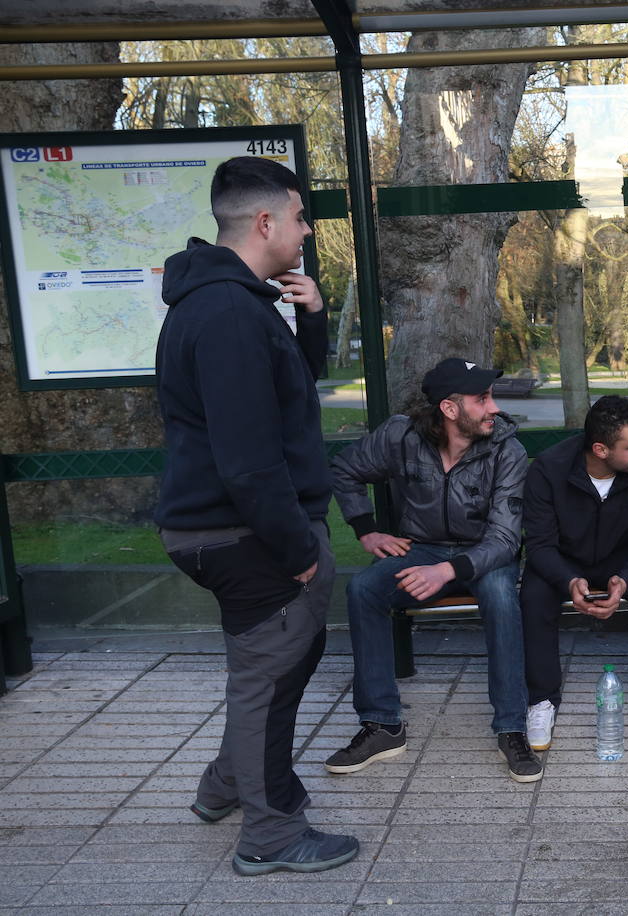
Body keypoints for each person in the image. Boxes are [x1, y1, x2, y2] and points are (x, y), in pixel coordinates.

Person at [155, 156, 358, 876]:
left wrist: (311, 321)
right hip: (245, 535)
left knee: (273, 671)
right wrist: (297, 548)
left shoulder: (228, 302)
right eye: (301, 217)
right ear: (266, 221)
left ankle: (223, 789)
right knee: (270, 682)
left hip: (228, 529)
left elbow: (284, 402)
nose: (307, 231)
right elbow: (249, 459)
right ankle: (270, 834)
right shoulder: (230, 313)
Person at [329, 358, 537, 782]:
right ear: (449, 408)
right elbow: (345, 469)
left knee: (501, 596)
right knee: (364, 590)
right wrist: (367, 531)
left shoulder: (507, 450)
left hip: (483, 554)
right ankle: (382, 724)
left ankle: (512, 727)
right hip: (420, 548)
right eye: (482, 399)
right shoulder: (400, 436)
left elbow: (504, 540)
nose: (493, 408)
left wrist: (447, 570)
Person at [521, 396, 628, 753]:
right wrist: (569, 581)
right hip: (564, 562)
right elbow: (539, 545)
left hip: (626, 562)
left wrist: (625, 580)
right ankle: (541, 702)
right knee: (534, 592)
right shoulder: (548, 469)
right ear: (600, 449)